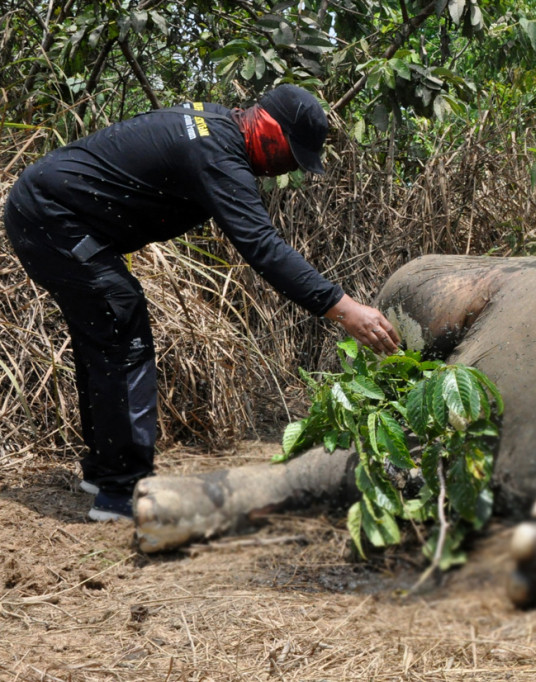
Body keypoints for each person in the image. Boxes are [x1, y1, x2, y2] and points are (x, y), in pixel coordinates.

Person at [3, 84, 400, 522]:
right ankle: (121, 492)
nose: (285, 169)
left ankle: (104, 474)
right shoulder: (217, 152)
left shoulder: (215, 128)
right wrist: (343, 308)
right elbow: (262, 246)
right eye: (290, 154)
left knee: (104, 334)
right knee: (120, 323)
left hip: (44, 211)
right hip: (50, 217)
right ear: (268, 125)